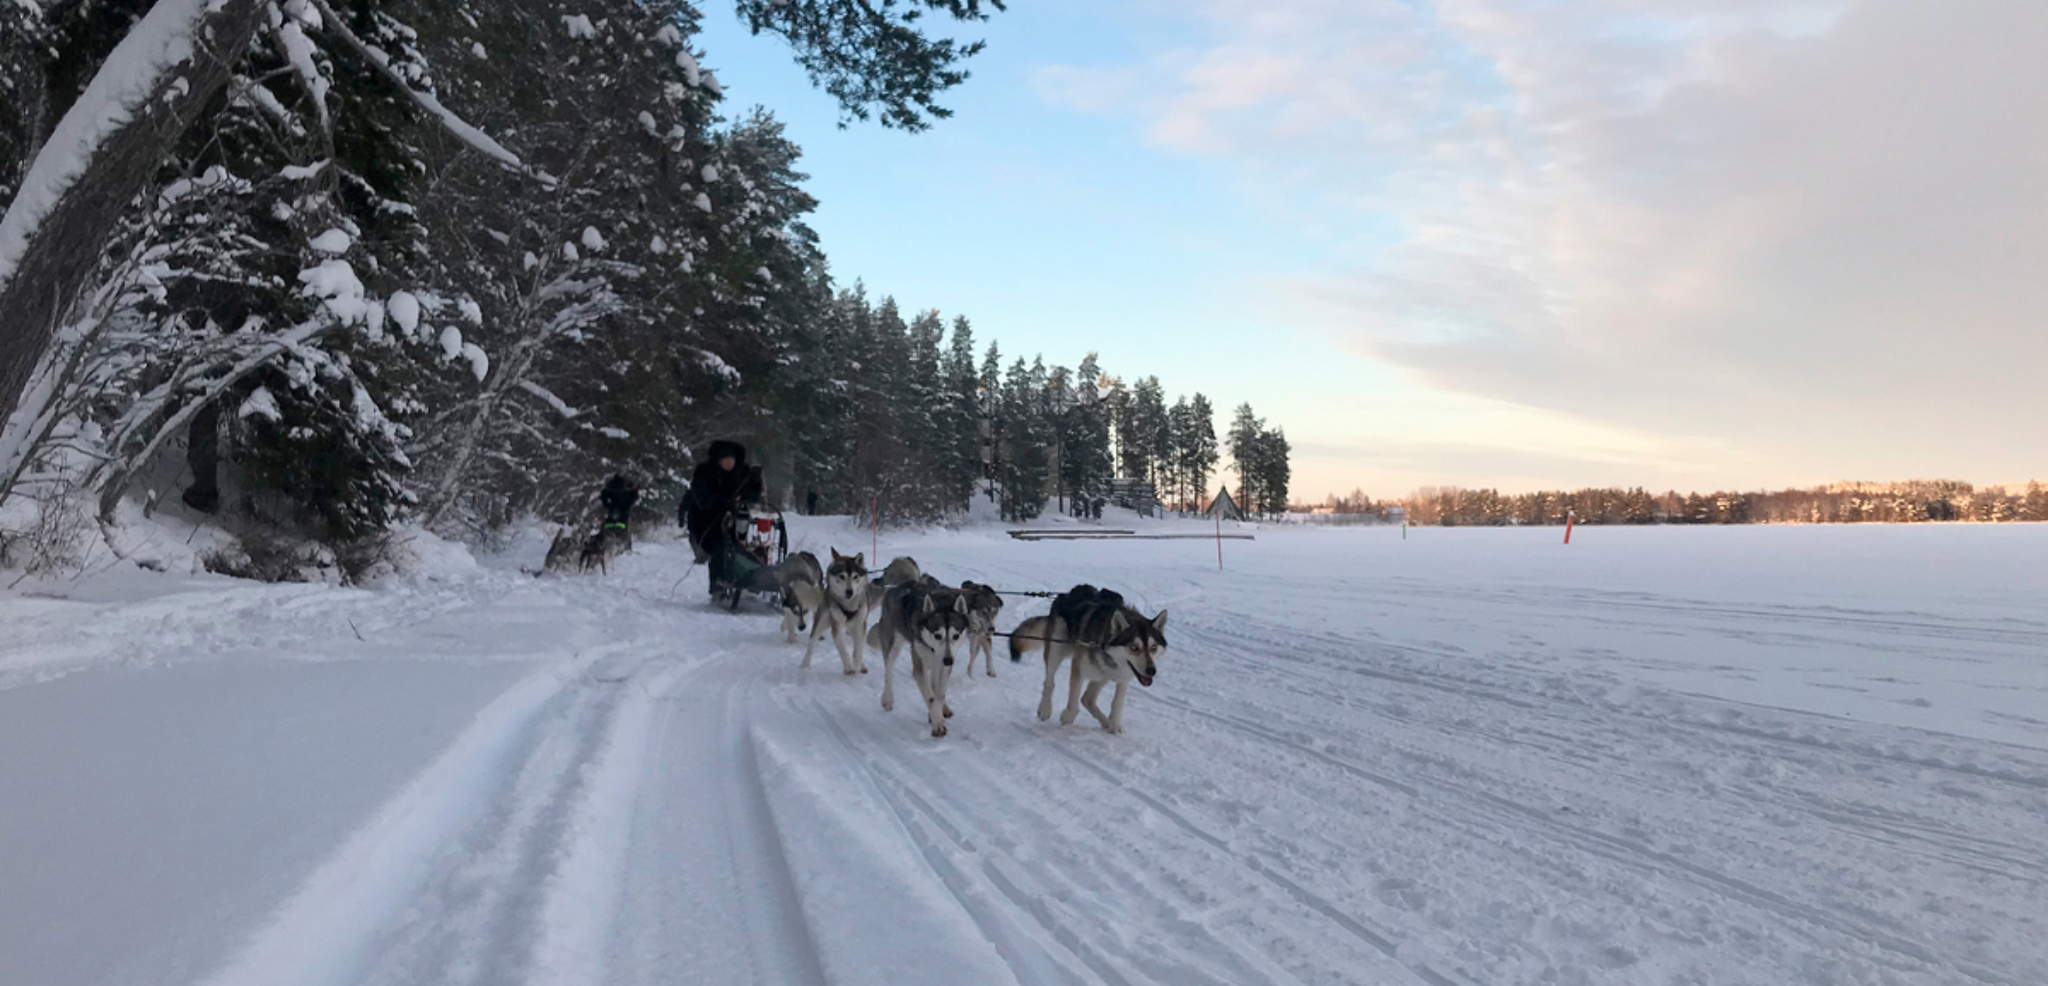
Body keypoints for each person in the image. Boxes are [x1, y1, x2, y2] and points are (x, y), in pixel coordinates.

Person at [679, 439, 763, 567]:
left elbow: (751, 497)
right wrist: (722, 503)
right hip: (706, 523)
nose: (729, 463)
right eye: (725, 460)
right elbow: (700, 496)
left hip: (733, 525)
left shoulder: (741, 474)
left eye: (731, 460)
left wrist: (755, 482)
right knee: (715, 555)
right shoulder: (705, 473)